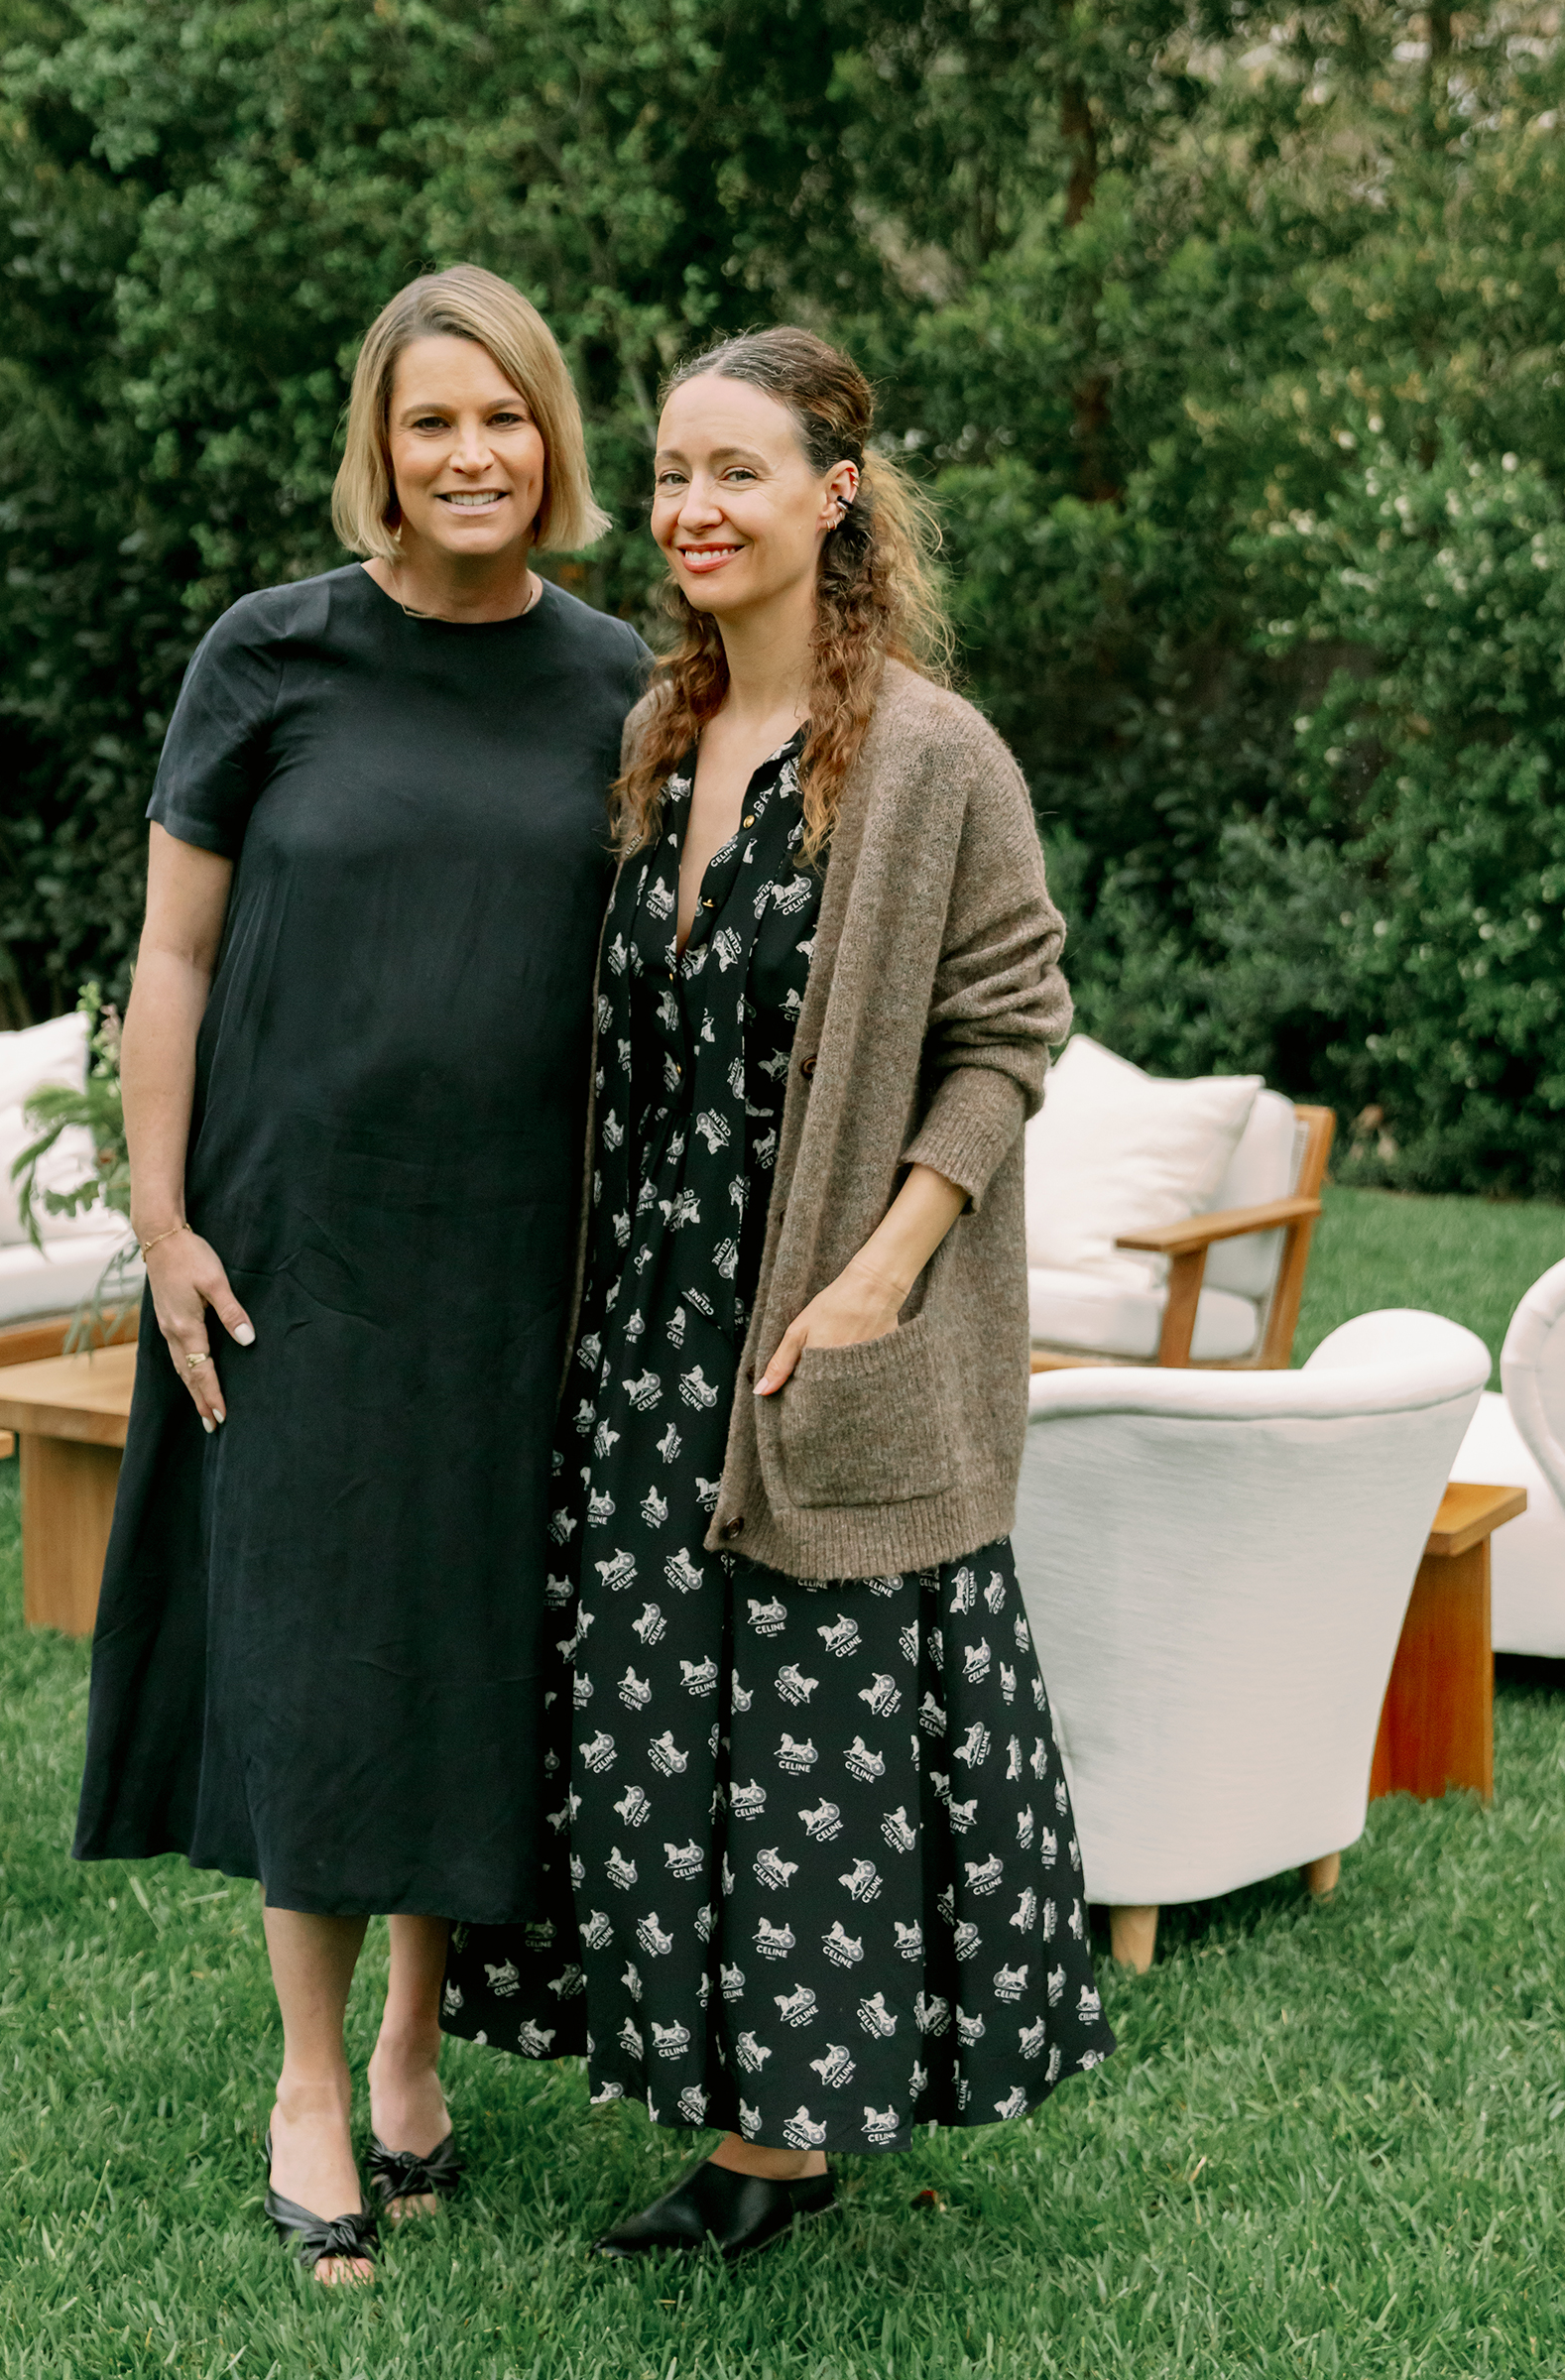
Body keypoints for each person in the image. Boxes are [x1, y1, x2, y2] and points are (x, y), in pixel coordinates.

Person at [444, 325, 1113, 2258]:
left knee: (812, 1727)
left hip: (817, 1322)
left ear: (837, 495)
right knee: (663, 1712)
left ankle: (783, 2147)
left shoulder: (928, 755)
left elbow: (1005, 1031)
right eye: (667, 473)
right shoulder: (656, 735)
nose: (689, 508)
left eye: (733, 470)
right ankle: (734, 2110)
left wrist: (882, 1274)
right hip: (649, 1320)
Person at [72, 264, 649, 2285]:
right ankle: (308, 2076)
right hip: (292, 1239)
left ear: (551, 441)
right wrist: (161, 1217)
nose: (470, 456)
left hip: (518, 1256)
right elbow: (173, 960)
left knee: (470, 1637)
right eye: (430, 423)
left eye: (502, 419)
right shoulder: (270, 658)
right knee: (321, 1643)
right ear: (378, 451)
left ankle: (420, 2042)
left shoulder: (618, 683)